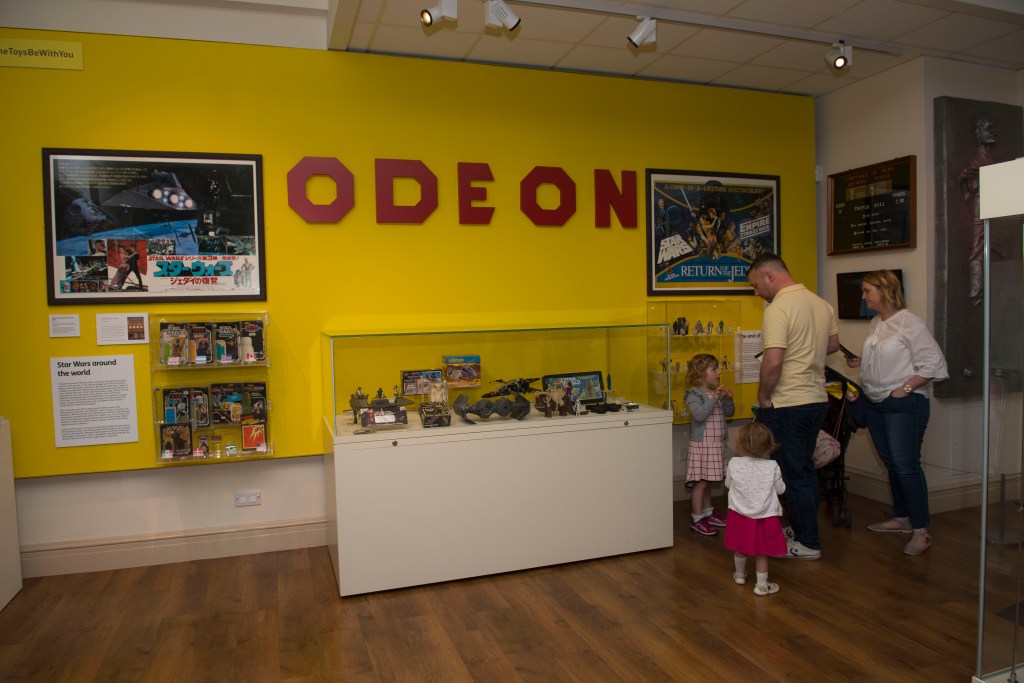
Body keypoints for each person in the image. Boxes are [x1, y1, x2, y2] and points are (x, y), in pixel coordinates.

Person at [845, 270, 948, 555]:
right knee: (892, 465)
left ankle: (921, 531)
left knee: (906, 466)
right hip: (877, 402)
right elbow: (892, 357)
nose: (863, 296)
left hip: (905, 404)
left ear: (885, 290)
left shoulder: (908, 322)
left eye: (867, 291)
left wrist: (906, 387)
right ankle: (901, 519)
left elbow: (934, 362)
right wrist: (863, 361)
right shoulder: (879, 323)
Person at [747, 253, 839, 560]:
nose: (756, 292)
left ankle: (808, 543)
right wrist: (805, 349)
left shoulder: (778, 309)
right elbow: (832, 345)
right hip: (816, 399)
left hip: (788, 402)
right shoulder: (820, 303)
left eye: (756, 285)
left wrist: (763, 398)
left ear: (769, 276)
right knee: (805, 472)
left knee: (794, 475)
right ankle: (802, 530)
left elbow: (773, 361)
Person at [724, 422, 787, 595]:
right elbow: (781, 489)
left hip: (739, 513)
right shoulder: (772, 466)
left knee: (740, 546)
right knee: (762, 550)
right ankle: (761, 585)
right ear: (768, 445)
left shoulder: (734, 463)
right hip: (765, 516)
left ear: (742, 444)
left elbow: (729, 484)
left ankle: (739, 575)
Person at [684, 353, 735, 536]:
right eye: (713, 369)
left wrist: (728, 398)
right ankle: (697, 518)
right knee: (701, 483)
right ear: (700, 373)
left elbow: (729, 412)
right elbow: (699, 415)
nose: (718, 373)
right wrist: (715, 398)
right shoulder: (693, 394)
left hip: (715, 444)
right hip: (702, 445)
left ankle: (708, 513)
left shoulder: (716, 394)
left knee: (708, 482)